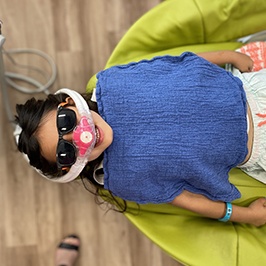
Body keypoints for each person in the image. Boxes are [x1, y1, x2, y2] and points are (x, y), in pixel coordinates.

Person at [15, 49, 266, 227]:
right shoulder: (125, 178)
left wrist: (228, 56)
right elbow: (187, 199)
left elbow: (178, 64)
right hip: (258, 147)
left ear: (68, 104)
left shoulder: (114, 83)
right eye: (65, 151)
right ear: (71, 166)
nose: (81, 135)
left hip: (252, 89)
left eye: (65, 122)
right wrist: (246, 215)